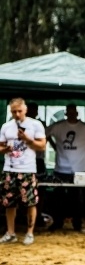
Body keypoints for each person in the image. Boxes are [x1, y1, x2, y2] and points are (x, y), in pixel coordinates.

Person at [46, 103, 85, 232]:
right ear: (66, 113)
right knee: (58, 196)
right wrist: (53, 146)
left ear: (77, 113)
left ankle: (77, 223)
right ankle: (58, 222)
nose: (71, 114)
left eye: (73, 112)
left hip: (80, 168)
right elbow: (44, 133)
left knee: (77, 197)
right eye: (69, 112)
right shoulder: (58, 126)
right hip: (61, 167)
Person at [0, 98, 46, 245]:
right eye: (14, 112)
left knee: (30, 202)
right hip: (9, 169)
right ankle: (11, 232)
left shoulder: (35, 125)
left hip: (27, 169)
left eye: (19, 111)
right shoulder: (6, 127)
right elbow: (0, 146)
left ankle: (30, 233)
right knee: (9, 203)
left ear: (25, 110)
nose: (17, 114)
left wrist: (27, 139)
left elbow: (42, 146)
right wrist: (5, 149)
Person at [26, 102, 47, 175]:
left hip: (38, 158)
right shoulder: (20, 125)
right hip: (25, 158)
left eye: (35, 110)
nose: (33, 112)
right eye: (31, 110)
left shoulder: (41, 124)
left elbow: (48, 138)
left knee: (40, 179)